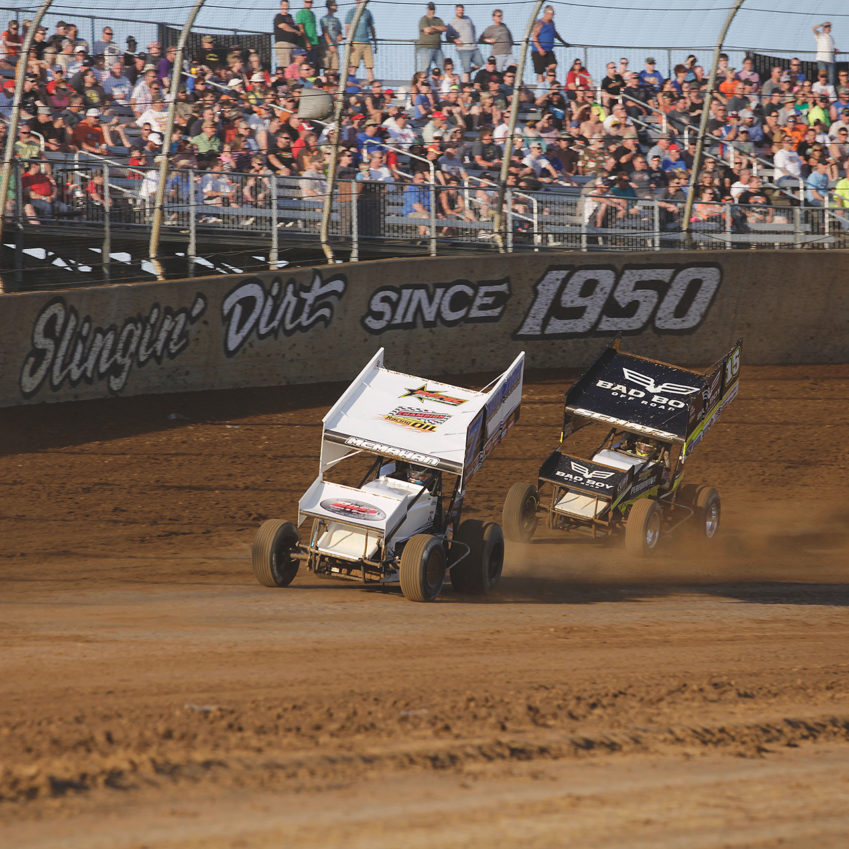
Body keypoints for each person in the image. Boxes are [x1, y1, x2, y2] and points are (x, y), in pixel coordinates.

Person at [531, 5, 569, 85]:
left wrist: (563, 42)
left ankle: (549, 82)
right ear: (546, 13)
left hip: (548, 50)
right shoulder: (539, 23)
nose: (552, 15)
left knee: (553, 65)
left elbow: (555, 33)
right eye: (551, 13)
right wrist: (539, 48)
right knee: (540, 72)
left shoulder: (551, 23)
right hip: (538, 51)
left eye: (553, 13)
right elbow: (534, 36)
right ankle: (541, 87)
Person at [447, 4, 483, 83]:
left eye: (462, 10)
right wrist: (455, 40)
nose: (460, 12)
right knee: (466, 69)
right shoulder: (453, 22)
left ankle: (469, 72)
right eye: (459, 10)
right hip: (463, 49)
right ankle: (467, 85)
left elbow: (473, 30)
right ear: (456, 11)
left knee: (480, 63)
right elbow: (448, 36)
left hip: (473, 47)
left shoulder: (468, 19)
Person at [345, 0, 376, 83]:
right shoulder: (351, 12)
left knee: (369, 66)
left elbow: (371, 27)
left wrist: (374, 41)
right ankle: (351, 82)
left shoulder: (367, 12)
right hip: (356, 42)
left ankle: (372, 82)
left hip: (367, 42)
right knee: (354, 65)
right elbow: (347, 27)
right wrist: (349, 42)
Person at [417, 3, 446, 74]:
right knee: (425, 68)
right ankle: (424, 84)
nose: (432, 11)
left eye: (433, 9)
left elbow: (444, 28)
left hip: (437, 48)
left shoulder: (438, 20)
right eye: (430, 9)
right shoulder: (423, 19)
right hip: (426, 47)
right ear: (427, 9)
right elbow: (427, 30)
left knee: (442, 67)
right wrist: (438, 29)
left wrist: (433, 27)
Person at [274, 0, 300, 71]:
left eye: (287, 5)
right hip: (284, 44)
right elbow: (283, 26)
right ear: (281, 6)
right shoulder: (278, 17)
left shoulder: (290, 17)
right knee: (286, 66)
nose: (286, 7)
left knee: (295, 66)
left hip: (293, 44)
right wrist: (295, 31)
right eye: (284, 5)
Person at [813, 21, 838, 87]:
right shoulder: (820, 35)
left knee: (832, 78)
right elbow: (814, 28)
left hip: (831, 60)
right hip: (822, 59)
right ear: (824, 28)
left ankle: (831, 92)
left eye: (829, 27)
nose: (828, 28)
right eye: (826, 27)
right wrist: (822, 24)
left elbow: (830, 48)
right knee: (823, 76)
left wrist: (835, 50)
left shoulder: (831, 38)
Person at [319, 1, 342, 72]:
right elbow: (325, 32)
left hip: (335, 45)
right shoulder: (324, 19)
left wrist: (340, 35)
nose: (337, 6)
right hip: (327, 44)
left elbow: (339, 31)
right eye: (335, 5)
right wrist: (330, 44)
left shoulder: (337, 20)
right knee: (327, 66)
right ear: (330, 6)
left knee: (335, 66)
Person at [296, 0, 319, 66]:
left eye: (310, 2)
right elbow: (301, 28)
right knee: (305, 64)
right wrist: (307, 42)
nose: (309, 4)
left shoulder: (312, 14)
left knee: (313, 64)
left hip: (314, 42)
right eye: (307, 2)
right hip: (305, 43)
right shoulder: (301, 13)